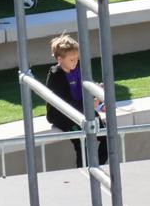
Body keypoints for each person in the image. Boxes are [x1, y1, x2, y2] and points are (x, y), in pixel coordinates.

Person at [44, 34, 109, 168]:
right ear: (60, 59)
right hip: (64, 115)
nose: (75, 62)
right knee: (82, 143)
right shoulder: (55, 76)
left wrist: (96, 90)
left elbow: (86, 85)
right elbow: (64, 105)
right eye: (72, 59)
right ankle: (85, 170)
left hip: (83, 109)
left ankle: (96, 168)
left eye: (77, 58)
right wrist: (90, 105)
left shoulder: (78, 68)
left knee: (107, 137)